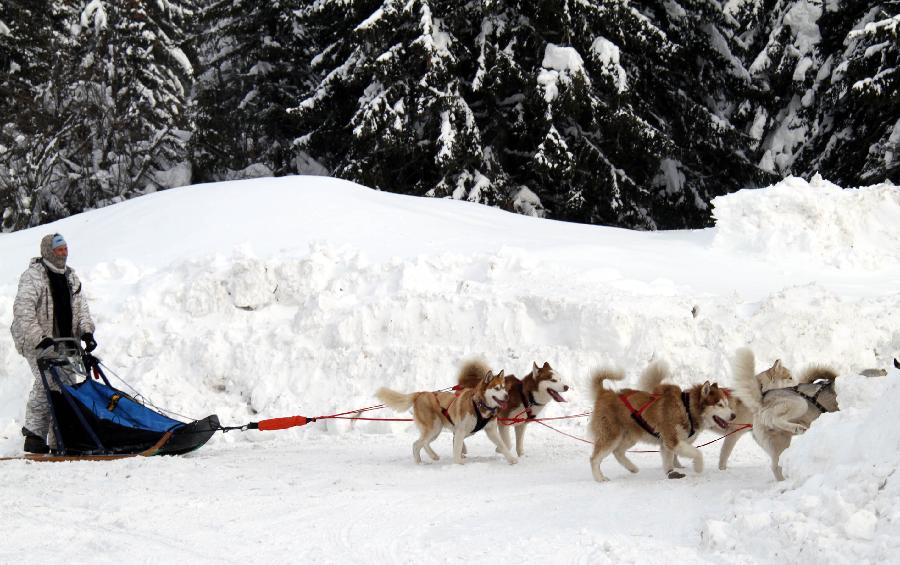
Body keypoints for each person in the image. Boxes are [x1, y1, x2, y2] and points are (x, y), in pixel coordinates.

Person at [9, 233, 97, 453]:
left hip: (63, 341)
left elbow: (81, 309)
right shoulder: (33, 277)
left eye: (66, 248)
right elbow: (23, 311)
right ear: (48, 252)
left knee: (67, 384)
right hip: (35, 340)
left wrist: (86, 332)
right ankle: (34, 433)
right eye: (59, 250)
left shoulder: (71, 277)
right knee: (49, 381)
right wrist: (40, 339)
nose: (64, 253)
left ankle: (59, 437)